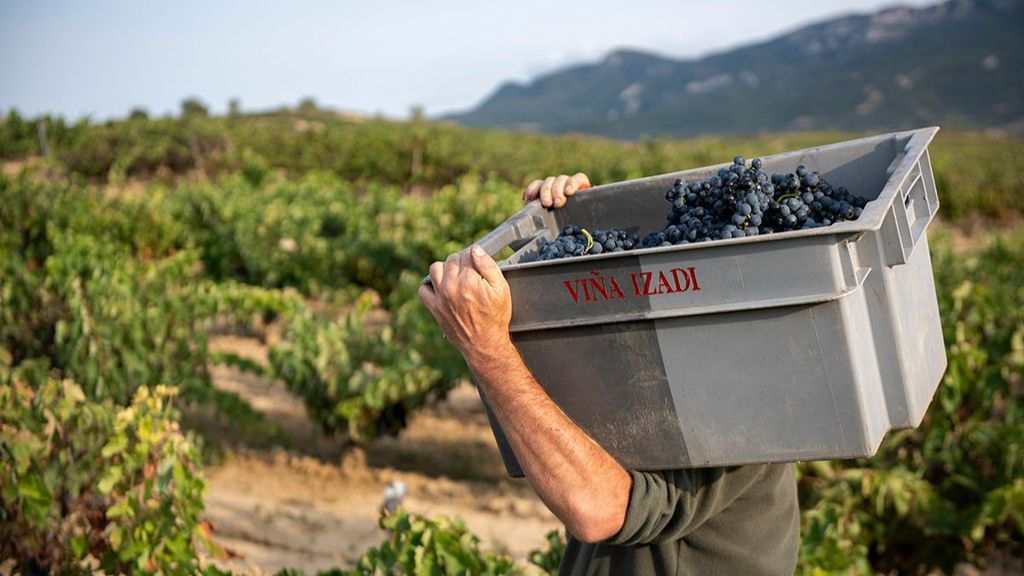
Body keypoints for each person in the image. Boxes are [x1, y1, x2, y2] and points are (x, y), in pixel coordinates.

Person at [418, 173, 800, 575]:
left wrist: (487, 348)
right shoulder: (669, 370)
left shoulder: (741, 408)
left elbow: (599, 508)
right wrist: (572, 229)